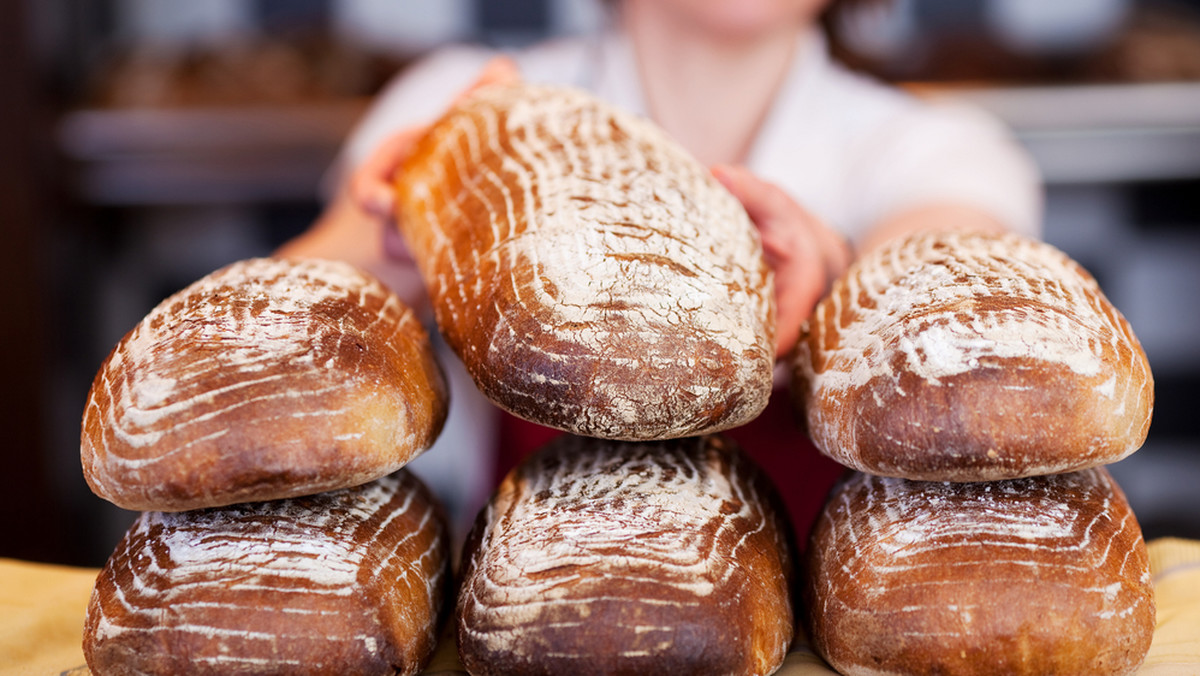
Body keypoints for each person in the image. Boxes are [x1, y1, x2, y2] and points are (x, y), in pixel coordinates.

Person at [277, 0, 1042, 543]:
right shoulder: (468, 98)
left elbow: (940, 274)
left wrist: (833, 261)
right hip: (545, 614)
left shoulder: (929, 143)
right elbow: (277, 332)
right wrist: (422, 213)